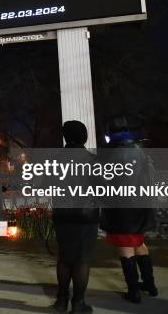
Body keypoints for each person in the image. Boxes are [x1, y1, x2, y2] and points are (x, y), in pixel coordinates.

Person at [100, 131, 158, 304]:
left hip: (121, 211)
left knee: (126, 248)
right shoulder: (143, 156)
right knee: (139, 244)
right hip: (141, 208)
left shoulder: (114, 157)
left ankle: (133, 291)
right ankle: (150, 285)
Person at [52, 121, 99, 313]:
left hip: (62, 215)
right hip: (86, 217)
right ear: (84, 137)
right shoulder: (93, 160)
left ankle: (61, 300)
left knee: (64, 258)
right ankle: (78, 303)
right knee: (81, 260)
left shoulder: (55, 160)